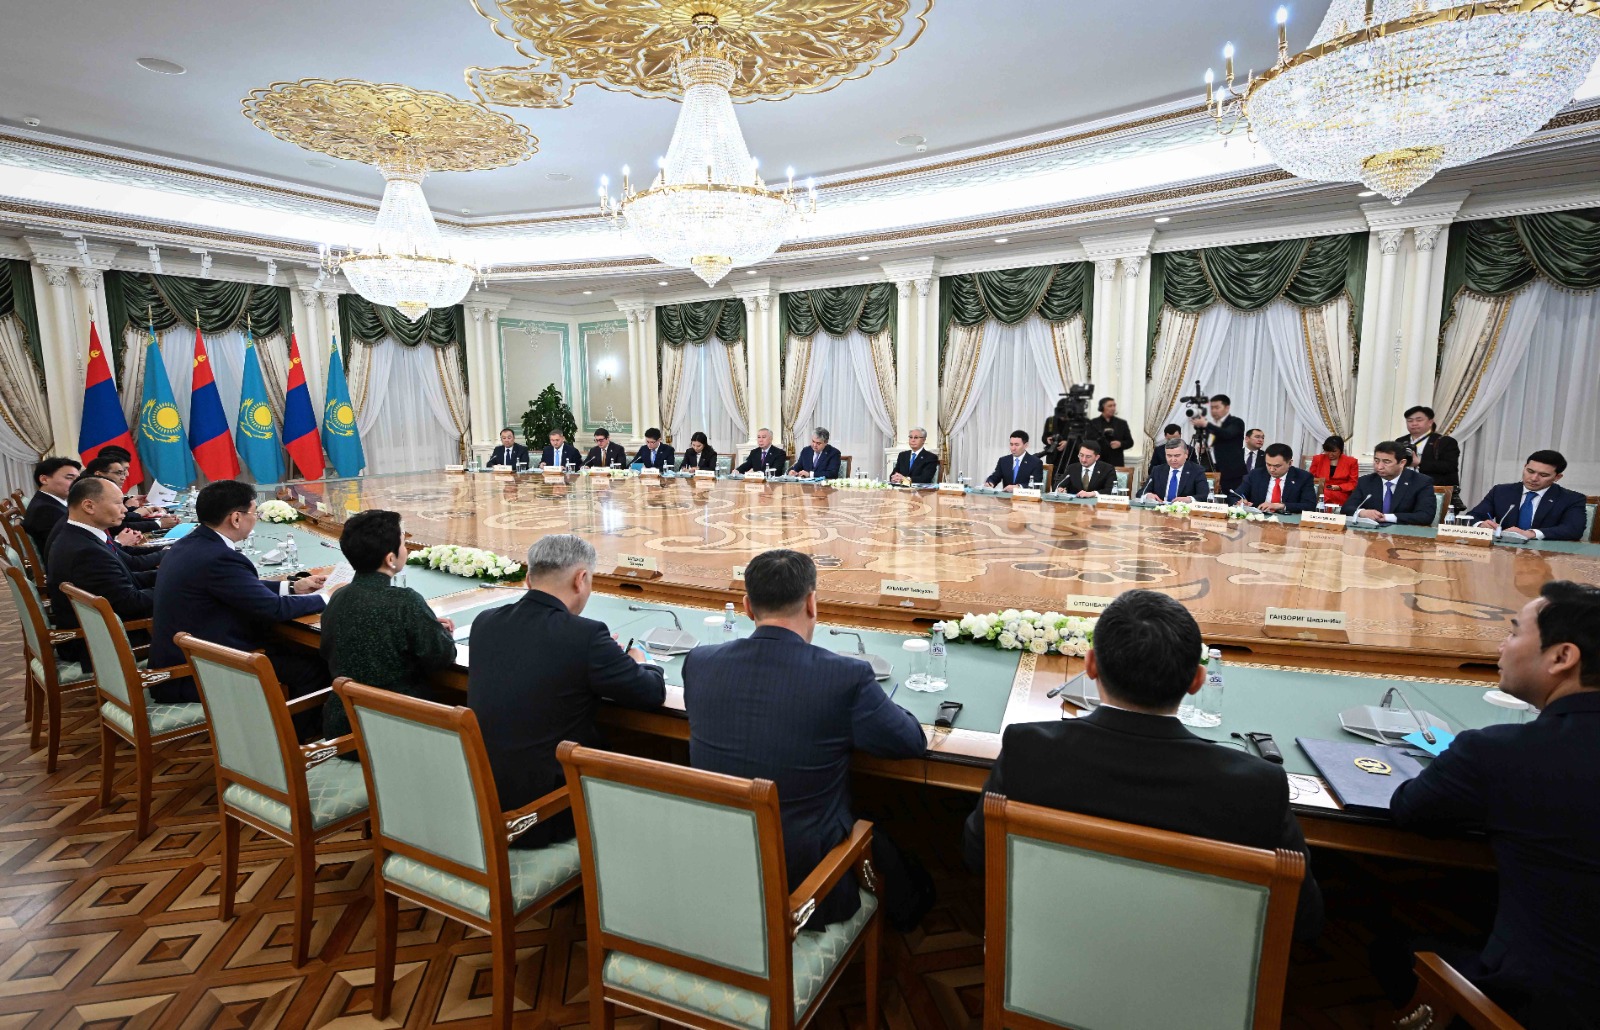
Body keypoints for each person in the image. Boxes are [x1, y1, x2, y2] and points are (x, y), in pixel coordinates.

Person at [961, 589, 1322, 941]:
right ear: (1197, 681)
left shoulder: (1029, 749)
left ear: (1090, 665)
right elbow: (1304, 921)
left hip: (1047, 958)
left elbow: (978, 854)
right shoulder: (1257, 786)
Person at [1383, 581, 1600, 1025]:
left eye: (1514, 632)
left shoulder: (1500, 753)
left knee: (1388, 946)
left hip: (1541, 1007)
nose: (1502, 645)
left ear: (1562, 657)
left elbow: (1409, 810)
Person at [682, 548, 932, 931]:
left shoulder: (699, 663)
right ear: (812, 603)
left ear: (747, 607)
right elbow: (910, 742)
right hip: (807, 885)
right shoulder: (845, 677)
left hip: (714, 863)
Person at [466, 534, 665, 849]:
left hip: (483, 805)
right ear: (581, 579)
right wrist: (641, 661)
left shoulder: (485, 622)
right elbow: (650, 693)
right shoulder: (586, 636)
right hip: (547, 814)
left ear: (529, 579)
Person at [148, 480, 328, 707]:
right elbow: (273, 608)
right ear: (235, 519)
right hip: (196, 674)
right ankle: (289, 730)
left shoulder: (191, 543)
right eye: (254, 513)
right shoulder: (219, 558)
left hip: (186, 658)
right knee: (314, 668)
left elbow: (240, 587)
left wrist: (292, 587)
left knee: (292, 649)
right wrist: (328, 598)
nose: (256, 518)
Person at [318, 510, 456, 746]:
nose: (406, 548)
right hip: (397, 732)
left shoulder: (339, 596)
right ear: (390, 559)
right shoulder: (405, 601)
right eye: (403, 542)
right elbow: (441, 657)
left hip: (343, 730)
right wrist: (440, 633)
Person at [44, 476, 156, 665]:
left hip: (102, 631)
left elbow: (127, 580)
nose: (125, 509)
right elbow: (130, 603)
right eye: (118, 503)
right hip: (100, 644)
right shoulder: (86, 552)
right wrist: (179, 587)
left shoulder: (80, 536)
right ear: (89, 506)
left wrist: (171, 575)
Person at [1465, 449, 1588, 542]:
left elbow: (1573, 529)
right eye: (1530, 471)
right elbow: (1472, 516)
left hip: (1546, 556)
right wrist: (1480, 524)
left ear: (1557, 477)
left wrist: (1531, 533)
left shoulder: (1572, 499)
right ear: (1525, 467)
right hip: (1505, 552)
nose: (1534, 478)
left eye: (1543, 475)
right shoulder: (1501, 491)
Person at [1341, 441, 1436, 526]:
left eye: (1386, 462)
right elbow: (1346, 508)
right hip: (1371, 535)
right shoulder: (1365, 481)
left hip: (1404, 535)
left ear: (1402, 463)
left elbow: (1425, 516)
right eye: (1376, 461)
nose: (1379, 467)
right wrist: (1362, 512)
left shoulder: (1421, 482)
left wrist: (1387, 517)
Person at [22, 457, 79, 557]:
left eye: (78, 479)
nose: (77, 483)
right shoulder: (46, 510)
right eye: (69, 478)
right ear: (44, 479)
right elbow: (68, 547)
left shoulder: (47, 501)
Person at [1401, 405, 1460, 500]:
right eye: (1410, 421)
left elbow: (1450, 466)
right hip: (1405, 490)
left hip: (1434, 491)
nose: (1414, 423)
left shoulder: (1445, 441)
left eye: (1419, 420)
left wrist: (1420, 463)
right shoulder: (1400, 441)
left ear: (1430, 422)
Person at [1239, 443, 1318, 513]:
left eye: (1277, 466)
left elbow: (1310, 505)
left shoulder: (1303, 477)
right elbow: (1236, 495)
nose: (1271, 469)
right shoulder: (1256, 474)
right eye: (1268, 464)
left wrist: (1281, 506)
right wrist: (1241, 501)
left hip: (1288, 521)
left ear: (1290, 463)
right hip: (1259, 520)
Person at [1190, 394, 1246, 493]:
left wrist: (1206, 424)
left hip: (1231, 472)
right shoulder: (1211, 426)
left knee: (1231, 499)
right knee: (1209, 497)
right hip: (1211, 469)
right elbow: (1212, 444)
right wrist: (1204, 448)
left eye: (1217, 407)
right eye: (1212, 408)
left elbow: (1227, 434)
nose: (1214, 411)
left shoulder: (1236, 422)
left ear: (1227, 407)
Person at [1141, 438, 1212, 503]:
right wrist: (1147, 496)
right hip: (1159, 510)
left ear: (1186, 454)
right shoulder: (1157, 470)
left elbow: (1204, 495)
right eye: (1169, 456)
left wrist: (1189, 499)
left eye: (1177, 456)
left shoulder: (1197, 471)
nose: (1173, 459)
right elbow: (1141, 492)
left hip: (1185, 511)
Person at [1309, 435, 1359, 507]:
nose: (1330, 454)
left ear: (1341, 450)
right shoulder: (1317, 459)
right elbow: (1311, 478)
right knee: (1319, 495)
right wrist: (1320, 487)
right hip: (1321, 491)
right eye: (1327, 451)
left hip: (1341, 492)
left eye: (1334, 451)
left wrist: (1339, 487)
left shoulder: (1351, 462)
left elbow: (1353, 483)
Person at [1090, 397, 1134, 468]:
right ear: (1102, 408)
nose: (1113, 408)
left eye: (1114, 406)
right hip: (1098, 462)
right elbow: (1089, 441)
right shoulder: (1093, 423)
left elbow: (1130, 442)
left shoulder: (1122, 423)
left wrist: (1120, 444)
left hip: (1116, 463)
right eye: (1110, 406)